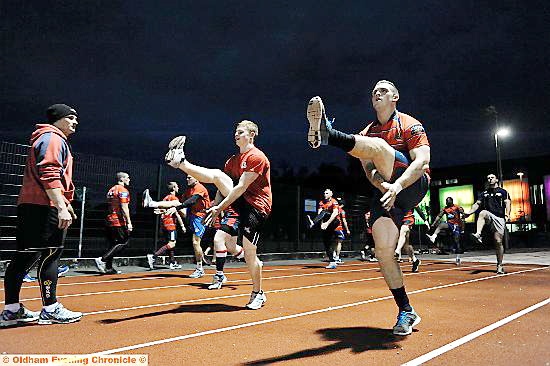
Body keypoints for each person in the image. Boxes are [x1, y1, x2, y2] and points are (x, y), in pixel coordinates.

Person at [306, 80, 430, 335]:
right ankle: (406, 309)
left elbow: (422, 162)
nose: (377, 93)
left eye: (383, 90)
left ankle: (329, 134)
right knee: (384, 252)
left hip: (414, 184)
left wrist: (398, 186)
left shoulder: (409, 124)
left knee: (380, 147)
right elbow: (370, 171)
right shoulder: (366, 132)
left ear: (395, 96)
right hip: (387, 192)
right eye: (374, 90)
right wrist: (385, 187)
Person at [162, 120, 272, 309]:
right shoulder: (232, 160)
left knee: (250, 254)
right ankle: (181, 162)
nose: (236, 134)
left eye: (240, 131)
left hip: (256, 208)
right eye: (235, 132)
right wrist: (215, 206)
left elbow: (240, 188)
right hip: (238, 203)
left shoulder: (257, 157)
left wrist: (220, 207)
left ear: (251, 134)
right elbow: (220, 185)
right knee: (218, 175)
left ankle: (258, 293)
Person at [1, 104, 83, 326]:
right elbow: (49, 172)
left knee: (24, 256)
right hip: (44, 206)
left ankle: (11, 310)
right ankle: (51, 307)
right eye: (71, 118)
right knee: (51, 254)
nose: (76, 122)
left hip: (31, 205)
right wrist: (61, 206)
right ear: (58, 119)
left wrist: (65, 202)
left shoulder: (43, 138)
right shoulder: (53, 138)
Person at [463, 174, 511, 274]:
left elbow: (507, 203)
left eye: (492, 178)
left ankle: (499, 265)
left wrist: (508, 214)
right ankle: (478, 234)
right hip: (489, 215)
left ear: (496, 179)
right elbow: (477, 204)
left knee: (498, 241)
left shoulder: (503, 191)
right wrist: (469, 212)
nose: (489, 179)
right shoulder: (484, 193)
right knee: (482, 212)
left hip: (499, 217)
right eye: (488, 178)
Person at [95, 172, 133, 275]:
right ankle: (102, 260)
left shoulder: (111, 190)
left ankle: (108, 268)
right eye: (128, 178)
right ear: (122, 179)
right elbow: (124, 208)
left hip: (109, 219)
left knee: (112, 244)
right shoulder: (123, 190)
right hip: (117, 220)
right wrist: (129, 222)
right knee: (124, 242)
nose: (129, 180)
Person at [146, 182, 186, 270]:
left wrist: (161, 226)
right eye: (177, 186)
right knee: (172, 244)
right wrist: (182, 225)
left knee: (170, 244)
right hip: (171, 224)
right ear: (174, 188)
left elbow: (161, 213)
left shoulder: (165, 199)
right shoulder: (174, 199)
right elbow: (177, 213)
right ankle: (153, 257)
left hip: (165, 224)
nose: (178, 187)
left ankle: (172, 262)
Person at [307, 189, 341, 269]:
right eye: (324, 193)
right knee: (326, 242)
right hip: (325, 222)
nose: (325, 194)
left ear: (331, 194)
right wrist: (322, 224)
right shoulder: (321, 202)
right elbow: (320, 214)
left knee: (325, 212)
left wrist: (327, 223)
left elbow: (335, 213)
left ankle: (313, 223)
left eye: (327, 193)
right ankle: (332, 262)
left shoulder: (334, 201)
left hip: (334, 221)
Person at [427, 197, 464, 265]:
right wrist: (434, 223)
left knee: (456, 241)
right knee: (441, 225)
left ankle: (458, 257)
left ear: (452, 201)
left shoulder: (456, 207)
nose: (447, 203)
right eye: (446, 201)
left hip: (456, 225)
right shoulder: (445, 209)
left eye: (448, 201)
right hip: (449, 224)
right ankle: (433, 236)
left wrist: (462, 214)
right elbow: (439, 216)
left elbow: (462, 213)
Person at [335, 198, 351, 263]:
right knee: (339, 242)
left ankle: (333, 256)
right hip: (338, 228)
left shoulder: (333, 209)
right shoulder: (342, 211)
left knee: (335, 242)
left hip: (331, 228)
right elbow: (344, 221)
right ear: (343, 205)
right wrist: (347, 229)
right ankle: (337, 257)